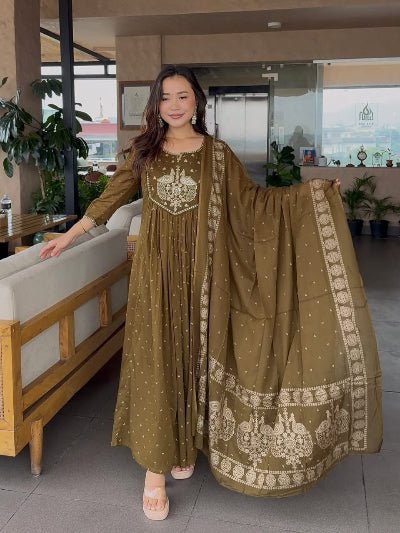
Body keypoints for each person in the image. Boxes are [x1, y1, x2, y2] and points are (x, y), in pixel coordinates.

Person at [40, 66, 382, 521]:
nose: (174, 105)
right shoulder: (145, 152)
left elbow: (253, 202)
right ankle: (155, 470)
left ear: (197, 102)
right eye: (166, 97)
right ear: (156, 105)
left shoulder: (217, 154)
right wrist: (69, 235)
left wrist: (312, 196)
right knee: (161, 357)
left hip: (206, 273)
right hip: (158, 274)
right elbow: (109, 200)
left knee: (195, 354)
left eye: (183, 96)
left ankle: (183, 443)